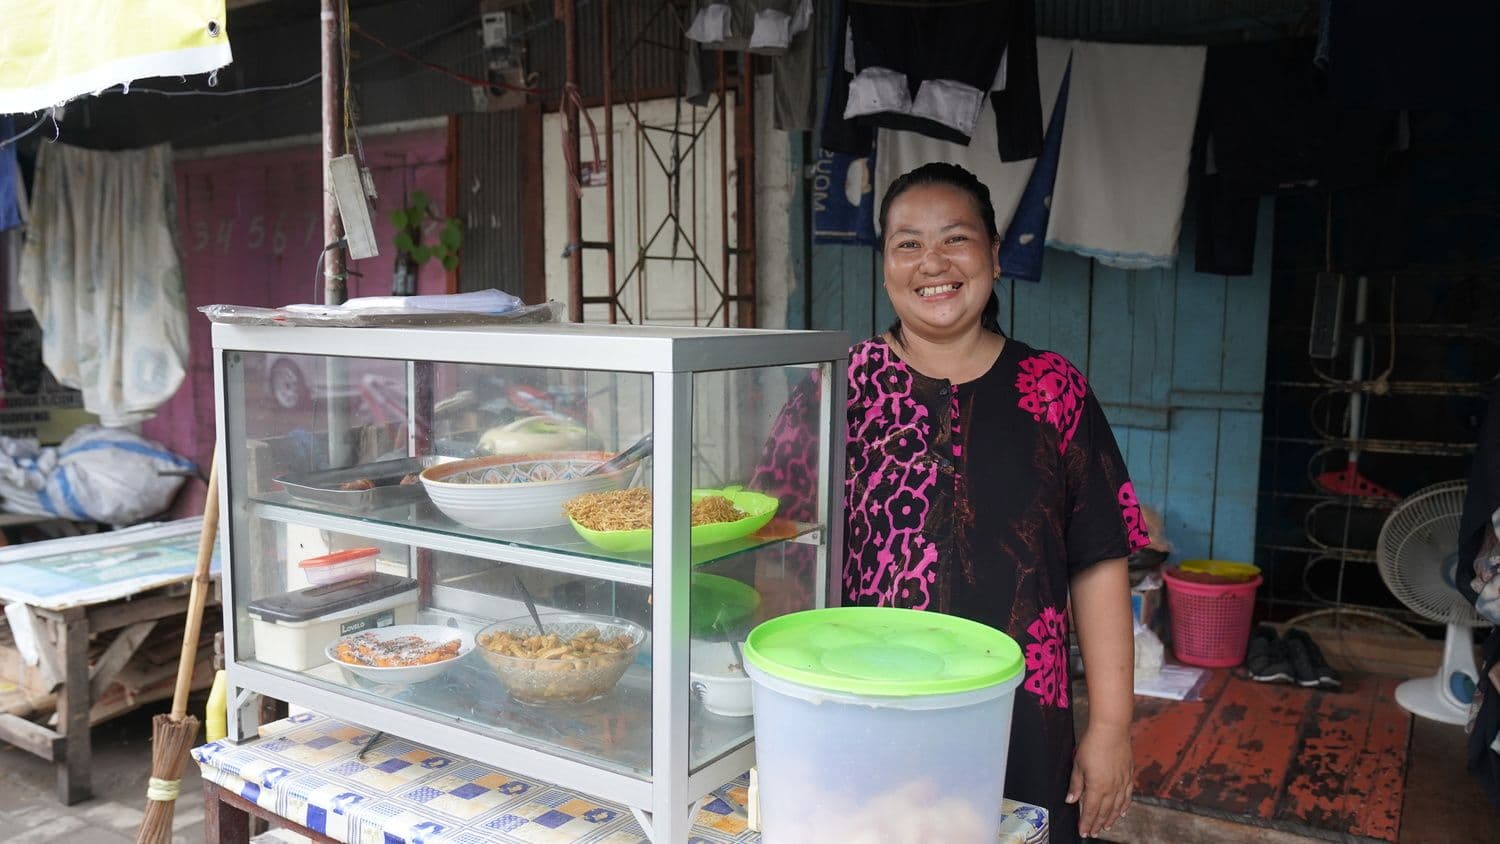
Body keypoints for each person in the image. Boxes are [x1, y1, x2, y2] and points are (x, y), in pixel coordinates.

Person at [750, 161, 1145, 841]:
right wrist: (790, 713)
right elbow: (778, 548)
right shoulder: (838, 392)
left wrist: (1111, 727)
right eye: (907, 243)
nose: (932, 261)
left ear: (993, 253)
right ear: (885, 266)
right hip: (866, 713)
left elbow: (1098, 560)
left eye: (955, 238)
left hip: (1022, 717)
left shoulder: (1054, 390)